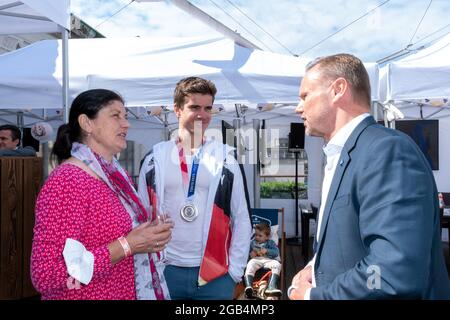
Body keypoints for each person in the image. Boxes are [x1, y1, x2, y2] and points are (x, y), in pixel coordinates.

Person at [289, 53, 450, 300]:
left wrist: (313, 296)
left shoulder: (386, 151)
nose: (298, 107)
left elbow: (390, 272)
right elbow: (347, 242)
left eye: (305, 96)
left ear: (338, 90)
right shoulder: (348, 153)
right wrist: (315, 266)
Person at [31, 89, 173, 300]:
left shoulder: (113, 175)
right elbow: (46, 274)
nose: (126, 124)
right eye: (116, 115)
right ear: (87, 123)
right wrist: (128, 245)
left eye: (125, 116)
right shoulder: (68, 181)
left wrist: (147, 235)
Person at [138, 76, 252, 300]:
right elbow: (140, 214)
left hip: (215, 274)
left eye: (208, 108)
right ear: (177, 109)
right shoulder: (155, 158)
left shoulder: (225, 159)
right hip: (165, 268)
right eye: (194, 107)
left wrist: (234, 272)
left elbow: (242, 217)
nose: (203, 114)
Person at [244, 223, 282, 298]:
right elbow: (247, 253)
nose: (257, 237)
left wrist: (267, 251)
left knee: (277, 264)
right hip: (256, 259)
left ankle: (271, 287)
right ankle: (249, 286)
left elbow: (276, 252)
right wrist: (250, 255)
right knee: (250, 265)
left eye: (260, 235)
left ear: (267, 237)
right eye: (256, 235)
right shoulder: (252, 243)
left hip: (268, 260)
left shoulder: (270, 243)